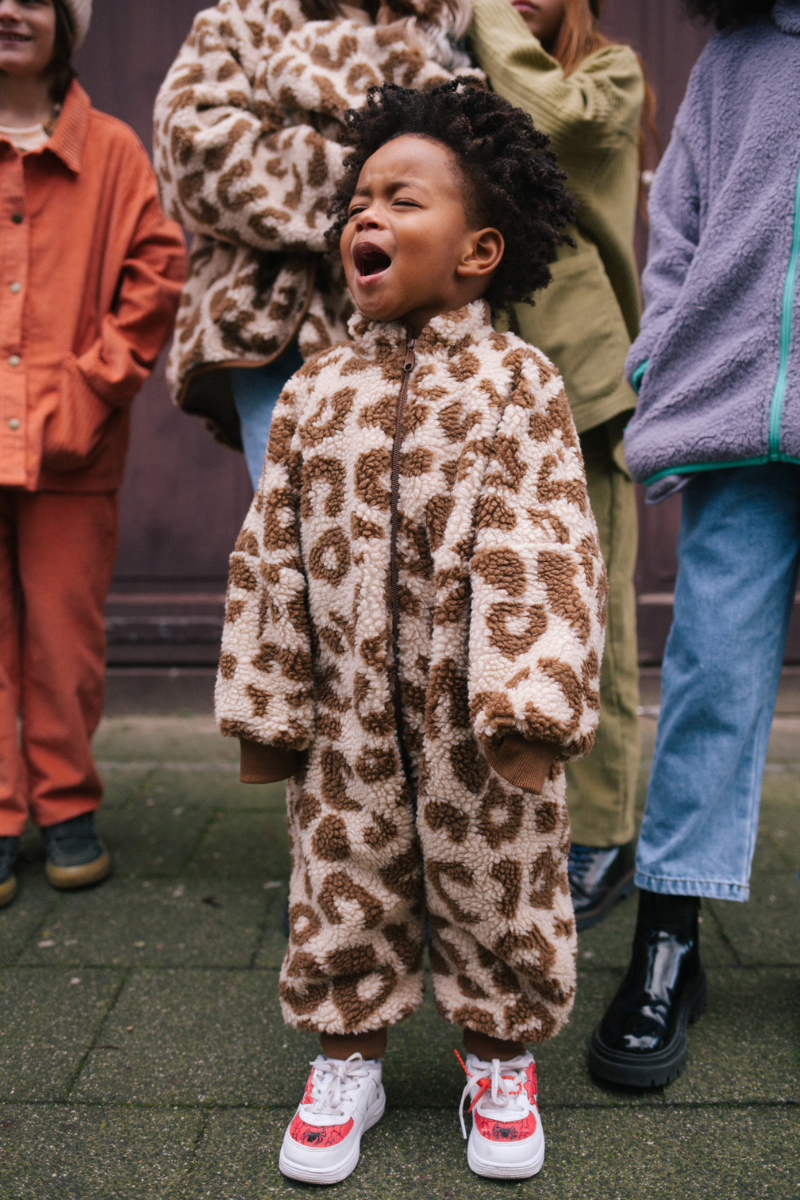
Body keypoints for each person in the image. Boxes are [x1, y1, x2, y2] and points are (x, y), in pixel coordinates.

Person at [216, 78, 607, 1182]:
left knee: (501, 880)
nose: (364, 219)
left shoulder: (516, 384)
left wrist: (527, 705)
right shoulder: (313, 393)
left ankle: (497, 1051)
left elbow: (547, 544)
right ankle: (347, 1050)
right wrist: (268, 707)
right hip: (343, 712)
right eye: (355, 203)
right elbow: (270, 551)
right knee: (339, 876)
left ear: (477, 250)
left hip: (478, 711)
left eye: (400, 199)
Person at [588, 0, 798, 1089]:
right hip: (734, 425)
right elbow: (677, 226)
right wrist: (658, 357)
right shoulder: (736, 59)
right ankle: (664, 942)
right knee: (711, 668)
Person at [468, 0, 656, 928]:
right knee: (493, 609)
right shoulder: (461, 66)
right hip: (477, 387)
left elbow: (558, 125)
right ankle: (504, 825)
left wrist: (480, 18)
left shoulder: (610, 75)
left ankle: (606, 840)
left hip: (587, 383)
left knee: (599, 621)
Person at [0, 0, 186, 907]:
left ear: (67, 20)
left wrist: (90, 384)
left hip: (72, 446)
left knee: (63, 635)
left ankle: (66, 801)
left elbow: (156, 273)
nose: (8, 11)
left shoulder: (110, 150)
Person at [153, 0, 480, 490]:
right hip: (276, 329)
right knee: (298, 534)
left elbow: (474, 179)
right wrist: (388, 189)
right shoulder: (249, 18)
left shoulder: (445, 31)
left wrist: (305, 153)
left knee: (409, 538)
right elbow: (193, 156)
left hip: (419, 338)